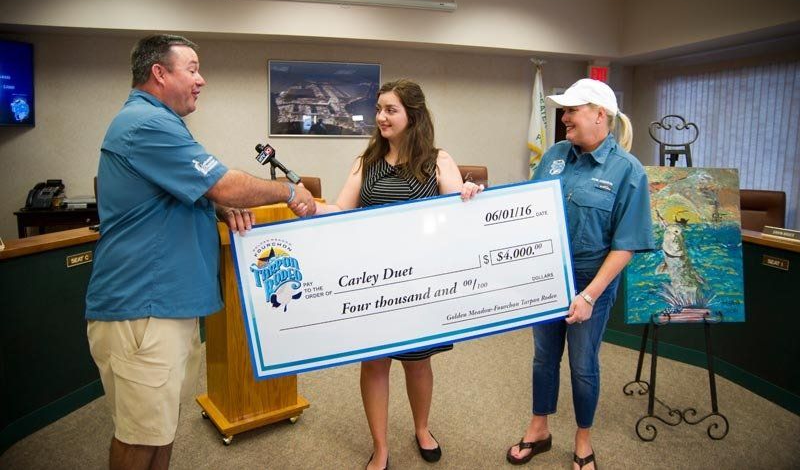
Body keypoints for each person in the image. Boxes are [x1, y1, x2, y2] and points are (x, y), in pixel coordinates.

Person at [85, 34, 316, 470]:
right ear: (159, 73)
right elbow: (224, 181)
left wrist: (218, 205)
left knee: (161, 430)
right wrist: (287, 191)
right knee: (138, 438)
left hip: (169, 307)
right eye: (191, 68)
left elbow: (192, 194)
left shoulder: (164, 123)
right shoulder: (145, 124)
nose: (201, 79)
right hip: (143, 309)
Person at [304, 79, 482, 470]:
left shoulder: (438, 160)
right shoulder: (365, 161)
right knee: (375, 363)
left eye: (390, 110)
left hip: (419, 285)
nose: (380, 117)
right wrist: (310, 209)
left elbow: (461, 213)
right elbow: (341, 210)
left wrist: (469, 195)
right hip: (374, 284)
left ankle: (422, 428)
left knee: (418, 362)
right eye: (379, 109)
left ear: (412, 116)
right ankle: (381, 447)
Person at [506, 79, 654, 470]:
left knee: (583, 363)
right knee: (544, 358)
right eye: (564, 111)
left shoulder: (627, 171)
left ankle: (583, 440)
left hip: (593, 281)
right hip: (547, 275)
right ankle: (539, 428)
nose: (565, 118)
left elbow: (626, 245)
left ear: (600, 116)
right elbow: (525, 204)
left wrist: (589, 295)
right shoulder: (555, 154)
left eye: (572, 111)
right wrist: (482, 199)